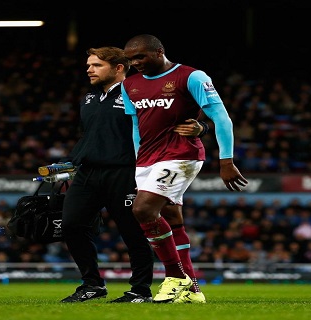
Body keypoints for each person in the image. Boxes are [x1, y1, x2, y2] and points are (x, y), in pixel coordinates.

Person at [59, 47, 207, 303]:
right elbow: (89, 136)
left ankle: (140, 289)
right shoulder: (89, 98)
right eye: (88, 65)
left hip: (126, 170)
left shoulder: (139, 91)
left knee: (133, 232)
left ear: (118, 68)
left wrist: (202, 126)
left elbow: (172, 117)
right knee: (71, 225)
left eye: (96, 65)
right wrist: (73, 162)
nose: (89, 69)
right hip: (88, 172)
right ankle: (92, 284)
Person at [121, 34, 249, 303]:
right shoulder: (129, 84)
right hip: (147, 159)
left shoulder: (191, 76)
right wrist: (138, 160)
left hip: (181, 154)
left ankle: (176, 276)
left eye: (140, 57)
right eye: (130, 59)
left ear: (159, 52)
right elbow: (136, 126)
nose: (135, 63)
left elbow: (221, 116)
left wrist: (226, 160)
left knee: (143, 209)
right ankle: (192, 292)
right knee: (173, 221)